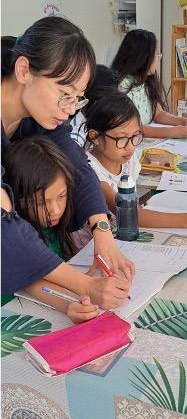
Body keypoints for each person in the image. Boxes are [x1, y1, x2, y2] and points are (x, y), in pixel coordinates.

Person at [1, 17, 134, 303]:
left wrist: (102, 229)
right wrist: (85, 288)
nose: (69, 110)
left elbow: (79, 166)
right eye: (64, 95)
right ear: (24, 70)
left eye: (78, 99)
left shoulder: (38, 117)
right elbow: (3, 226)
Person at [2, 137, 130, 320]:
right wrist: (68, 303)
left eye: (62, 196)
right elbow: (31, 279)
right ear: (16, 198)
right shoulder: (17, 236)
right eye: (41, 202)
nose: (55, 210)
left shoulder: (54, 226)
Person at [84, 90, 187, 231]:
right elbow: (128, 214)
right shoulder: (89, 170)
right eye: (122, 139)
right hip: (93, 244)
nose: (131, 147)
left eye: (136, 136)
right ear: (95, 137)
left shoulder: (126, 159)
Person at [111, 29, 187, 139]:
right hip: (132, 143)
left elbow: (158, 114)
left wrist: (183, 121)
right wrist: (172, 132)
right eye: (157, 54)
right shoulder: (121, 86)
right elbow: (133, 128)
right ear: (143, 58)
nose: (158, 59)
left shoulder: (147, 80)